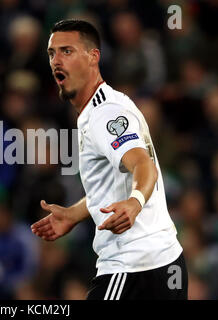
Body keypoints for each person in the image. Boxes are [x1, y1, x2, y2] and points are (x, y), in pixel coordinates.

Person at [31, 20, 188, 300]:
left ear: (93, 57)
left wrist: (135, 202)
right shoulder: (104, 107)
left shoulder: (104, 113)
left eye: (67, 51)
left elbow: (143, 165)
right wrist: (75, 213)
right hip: (161, 263)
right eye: (52, 53)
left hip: (133, 267)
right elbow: (115, 181)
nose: (56, 60)